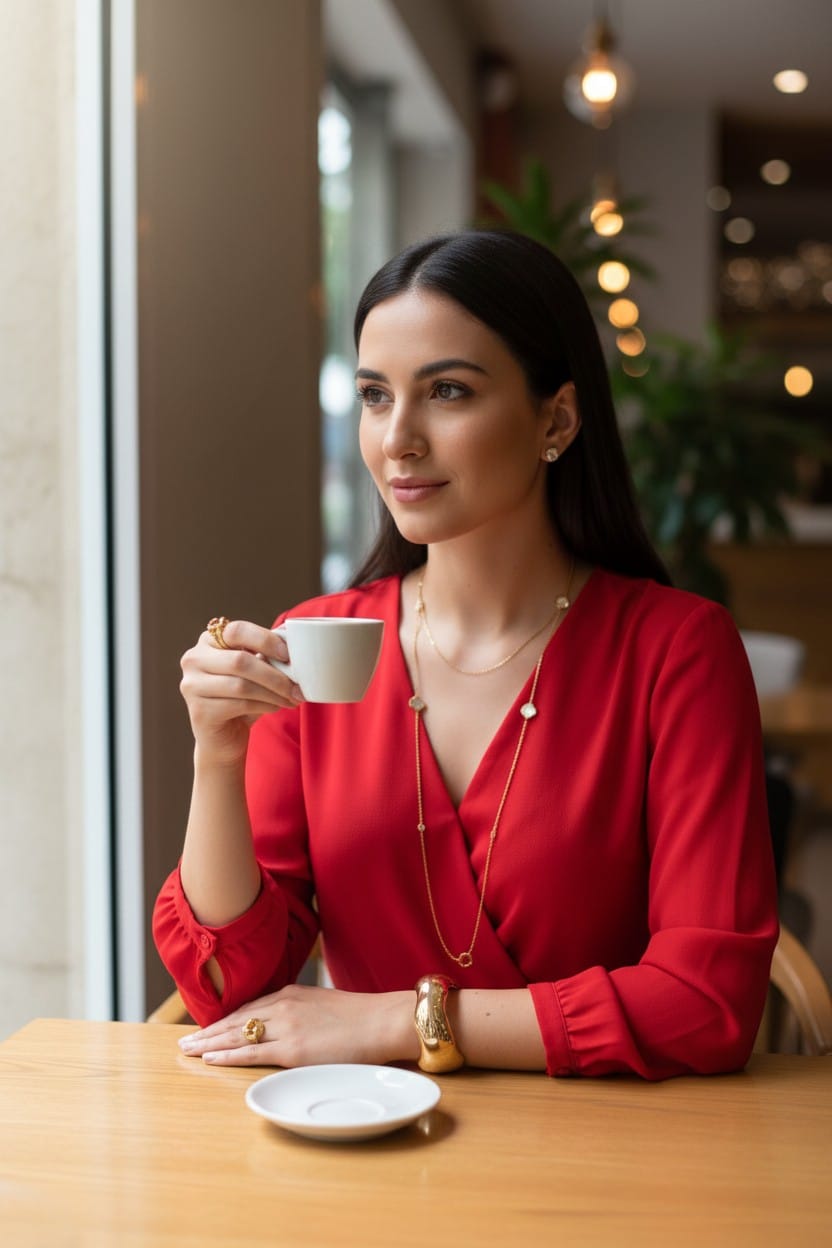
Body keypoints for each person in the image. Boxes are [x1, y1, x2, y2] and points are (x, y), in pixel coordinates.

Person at [153, 229, 778, 1080]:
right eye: (375, 396)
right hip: (357, 1142)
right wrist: (217, 757)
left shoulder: (678, 653)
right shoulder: (315, 642)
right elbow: (231, 987)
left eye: (446, 391)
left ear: (555, 418)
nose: (397, 440)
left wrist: (398, 1023)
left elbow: (706, 1005)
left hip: (610, 1156)